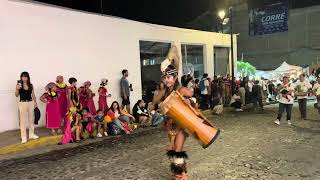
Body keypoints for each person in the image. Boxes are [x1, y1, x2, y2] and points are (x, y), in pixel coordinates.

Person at [150, 65, 195, 180]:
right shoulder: (164, 91)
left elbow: (194, 98)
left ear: (175, 77)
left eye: (169, 77)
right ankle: (182, 172)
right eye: (165, 77)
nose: (166, 80)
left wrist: (189, 100)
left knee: (177, 150)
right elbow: (153, 103)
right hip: (170, 125)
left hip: (182, 124)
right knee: (175, 147)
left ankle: (180, 176)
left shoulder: (181, 90)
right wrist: (154, 106)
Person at [15, 72, 39, 144]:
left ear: (28, 77)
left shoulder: (31, 85)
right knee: (23, 121)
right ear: (21, 77)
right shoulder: (19, 85)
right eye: (22, 77)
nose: (24, 78)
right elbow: (16, 95)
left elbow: (33, 94)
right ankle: (23, 137)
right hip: (22, 103)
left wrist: (35, 103)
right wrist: (17, 89)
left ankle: (31, 134)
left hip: (30, 103)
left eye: (25, 76)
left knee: (31, 119)